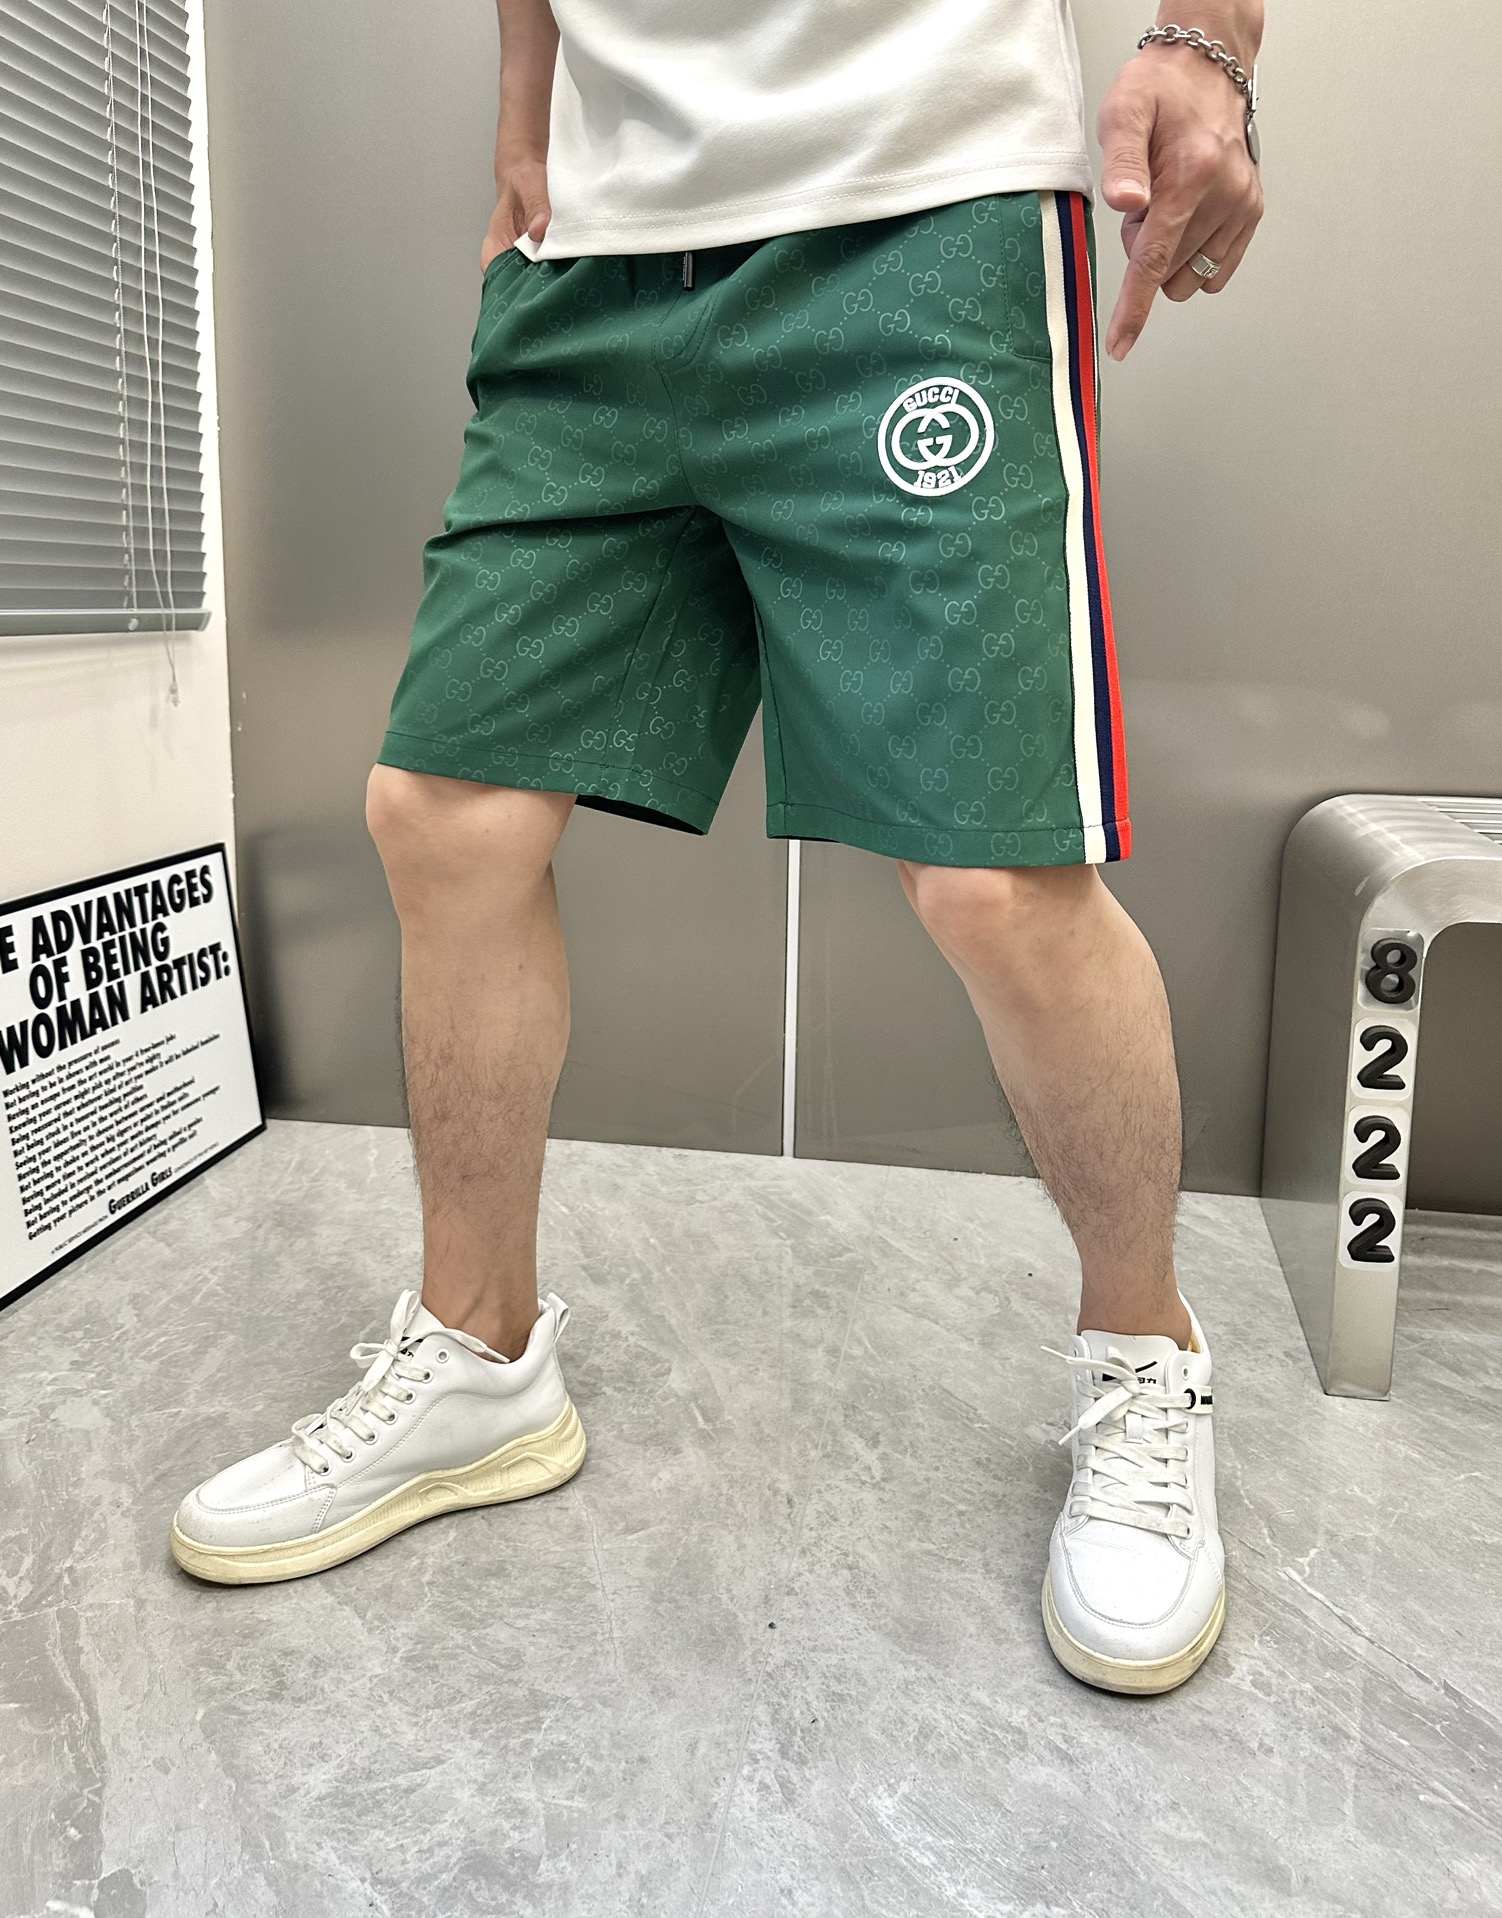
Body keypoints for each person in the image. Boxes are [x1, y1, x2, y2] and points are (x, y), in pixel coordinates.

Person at [172, 0, 1264, 1696]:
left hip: (923, 212)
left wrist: (1207, 43)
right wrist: (524, 116)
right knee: (447, 814)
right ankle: (478, 1360)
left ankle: (1142, 1355)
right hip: (597, 261)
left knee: (992, 876)